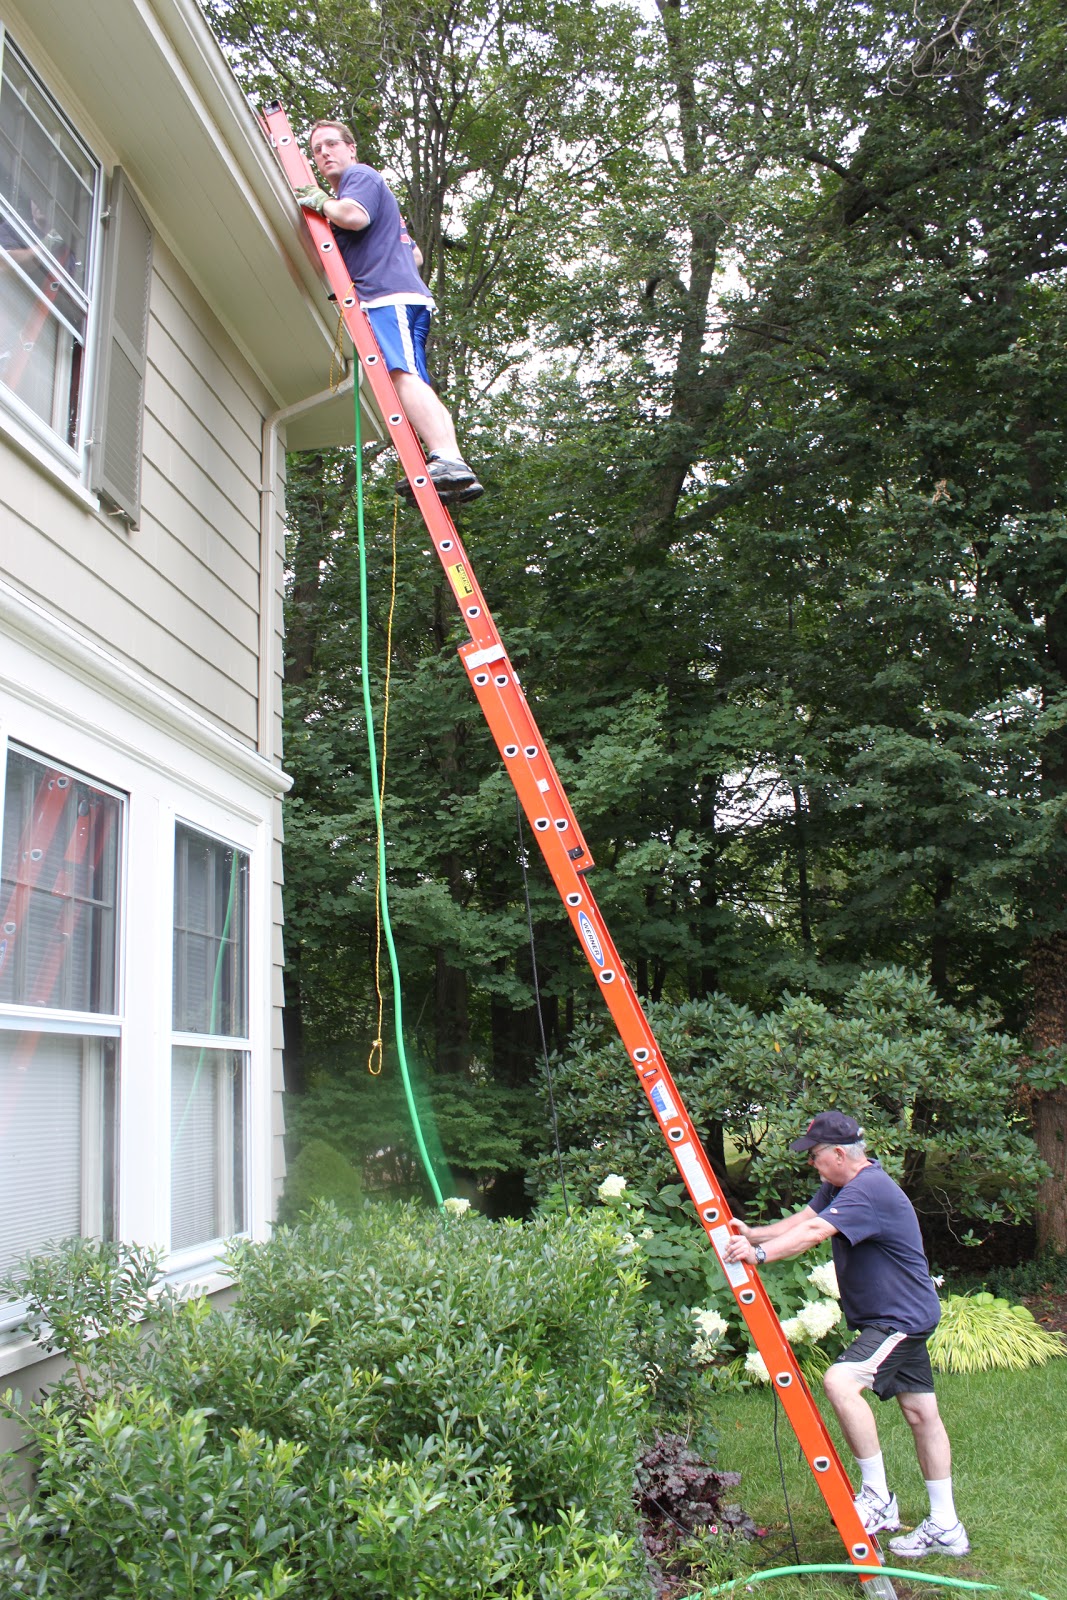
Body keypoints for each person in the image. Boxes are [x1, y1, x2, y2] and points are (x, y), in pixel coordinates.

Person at [724, 1110, 969, 1561]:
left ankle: (877, 1497)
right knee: (920, 1414)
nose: (812, 1164)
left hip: (898, 1318)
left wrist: (757, 1254)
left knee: (840, 1381)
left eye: (816, 1156)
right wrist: (755, 1233)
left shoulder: (868, 1191)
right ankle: (946, 1526)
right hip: (898, 1315)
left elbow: (816, 1232)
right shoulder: (842, 1185)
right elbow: (806, 1217)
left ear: (839, 1153)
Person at [297, 121, 482, 504]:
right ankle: (445, 466)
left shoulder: (359, 176)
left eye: (332, 144)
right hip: (400, 295)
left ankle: (449, 459)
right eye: (317, 150)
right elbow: (413, 253)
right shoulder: (370, 192)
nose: (325, 153)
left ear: (352, 149)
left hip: (386, 297)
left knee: (400, 376)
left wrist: (320, 203)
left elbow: (354, 217)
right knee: (408, 379)